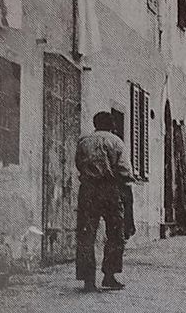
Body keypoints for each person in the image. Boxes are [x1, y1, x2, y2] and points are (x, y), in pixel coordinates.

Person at [75, 112, 134, 292]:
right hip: (109, 189)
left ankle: (88, 280)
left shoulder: (83, 142)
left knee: (86, 234)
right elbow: (124, 170)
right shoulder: (116, 142)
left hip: (88, 190)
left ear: (95, 124)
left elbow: (78, 164)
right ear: (112, 125)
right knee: (115, 233)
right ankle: (109, 275)